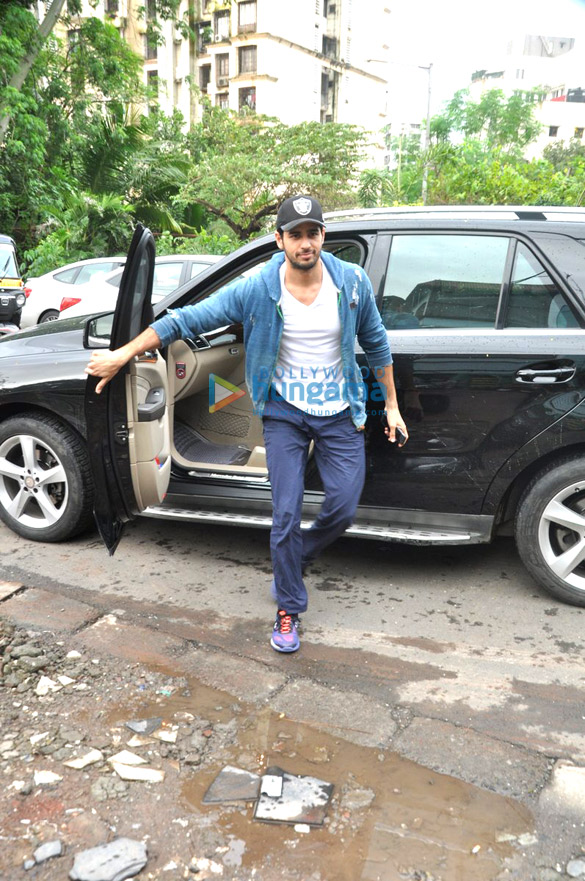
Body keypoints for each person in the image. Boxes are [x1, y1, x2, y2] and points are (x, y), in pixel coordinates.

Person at [85, 195, 408, 654]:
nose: (305, 242)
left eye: (312, 232)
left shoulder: (351, 283)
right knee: (286, 512)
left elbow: (377, 345)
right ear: (280, 240)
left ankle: (293, 560)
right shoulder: (257, 287)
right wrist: (121, 355)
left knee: (343, 506)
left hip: (339, 412)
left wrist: (390, 406)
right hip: (284, 414)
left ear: (322, 237)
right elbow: (187, 318)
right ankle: (288, 608)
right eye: (294, 234)